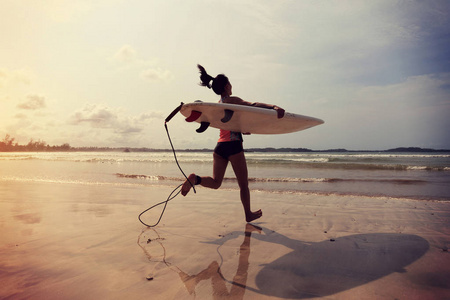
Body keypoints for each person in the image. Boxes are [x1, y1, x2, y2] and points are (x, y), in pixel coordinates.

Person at [181, 64, 285, 222]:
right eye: (230, 84)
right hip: (234, 146)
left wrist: (243, 130)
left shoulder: (218, 105)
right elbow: (254, 106)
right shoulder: (232, 100)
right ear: (227, 86)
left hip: (220, 147)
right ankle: (248, 214)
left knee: (216, 183)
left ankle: (196, 179)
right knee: (243, 184)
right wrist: (274, 107)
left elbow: (229, 124)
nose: (232, 86)